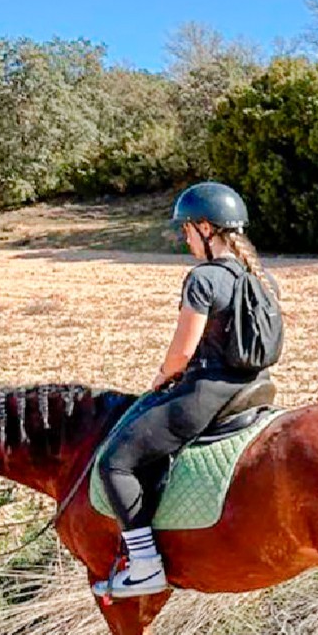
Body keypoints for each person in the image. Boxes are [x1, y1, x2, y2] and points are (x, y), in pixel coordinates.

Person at [96, 182, 281, 598]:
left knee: (117, 461)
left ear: (205, 228)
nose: (184, 238)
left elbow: (182, 353)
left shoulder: (204, 279)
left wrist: (162, 376)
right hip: (255, 387)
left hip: (206, 393)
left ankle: (144, 564)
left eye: (187, 230)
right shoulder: (260, 277)